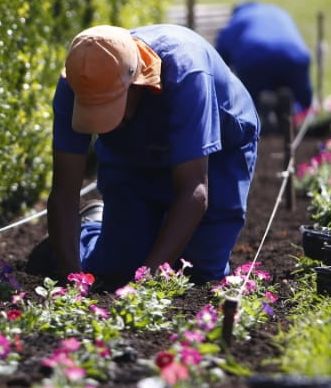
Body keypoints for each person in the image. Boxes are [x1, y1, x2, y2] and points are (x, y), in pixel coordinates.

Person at [38, 23, 260, 288]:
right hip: (134, 146)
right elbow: (64, 191)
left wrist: (143, 285)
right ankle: (90, 229)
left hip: (218, 151)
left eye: (110, 109)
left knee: (198, 271)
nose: (104, 122)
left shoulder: (186, 72)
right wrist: (71, 278)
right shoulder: (76, 82)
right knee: (115, 268)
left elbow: (194, 189)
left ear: (136, 83)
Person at [214, 1, 314, 118]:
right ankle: (293, 111)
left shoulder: (237, 18)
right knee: (303, 101)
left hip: (254, 59)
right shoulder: (278, 11)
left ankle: (264, 112)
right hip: (295, 57)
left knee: (252, 100)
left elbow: (220, 55)